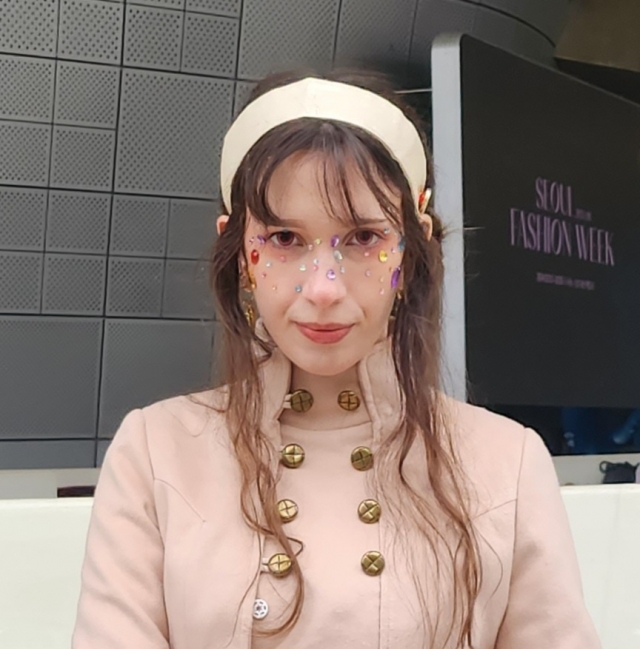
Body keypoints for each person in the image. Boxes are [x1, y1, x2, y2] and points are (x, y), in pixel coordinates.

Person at [72, 70, 601, 649]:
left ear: (412, 244)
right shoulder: (155, 452)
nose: (323, 288)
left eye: (362, 239)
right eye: (283, 239)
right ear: (241, 253)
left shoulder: (508, 462)